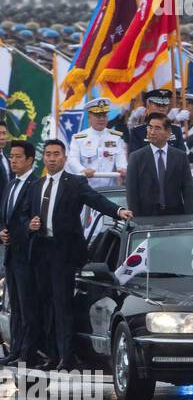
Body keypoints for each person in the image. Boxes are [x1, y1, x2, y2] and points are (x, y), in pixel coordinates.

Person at [20, 139, 132, 369]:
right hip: (40, 251)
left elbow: (97, 200)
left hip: (63, 252)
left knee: (62, 305)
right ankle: (50, 354)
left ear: (64, 158)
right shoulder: (36, 186)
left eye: (56, 154)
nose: (51, 158)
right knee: (44, 304)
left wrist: (118, 210)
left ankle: (66, 356)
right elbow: (24, 215)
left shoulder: (75, 183)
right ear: (44, 158)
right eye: (48, 154)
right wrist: (28, 224)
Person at [0, 140, 40, 365]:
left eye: (17, 156)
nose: (13, 160)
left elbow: (35, 221)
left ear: (29, 160)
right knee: (14, 306)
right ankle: (14, 350)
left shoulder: (35, 185)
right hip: (11, 256)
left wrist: (19, 232)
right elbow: (3, 217)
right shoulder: (10, 185)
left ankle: (27, 353)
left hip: (28, 257)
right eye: (11, 156)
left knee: (27, 308)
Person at [126, 112, 193, 217]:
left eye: (157, 128)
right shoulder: (136, 157)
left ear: (168, 132)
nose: (152, 132)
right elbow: (132, 192)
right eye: (150, 128)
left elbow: (187, 191)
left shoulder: (180, 157)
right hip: (146, 218)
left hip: (175, 217)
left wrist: (191, 218)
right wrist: (135, 221)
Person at [65, 98, 128, 189]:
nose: (102, 119)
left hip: (109, 190)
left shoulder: (116, 137)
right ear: (89, 117)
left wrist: (122, 168)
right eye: (98, 115)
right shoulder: (79, 138)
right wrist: (83, 170)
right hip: (86, 189)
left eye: (104, 115)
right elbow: (72, 160)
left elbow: (121, 159)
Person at [127, 88, 186, 153]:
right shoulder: (138, 131)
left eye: (165, 105)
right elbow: (135, 157)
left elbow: (182, 155)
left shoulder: (176, 129)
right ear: (148, 104)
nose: (161, 109)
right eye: (158, 105)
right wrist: (133, 120)